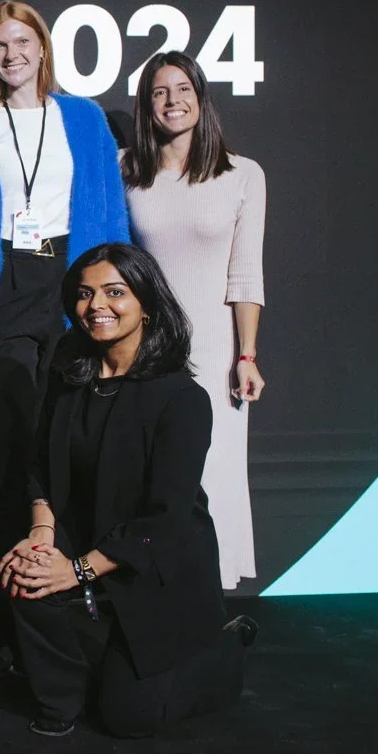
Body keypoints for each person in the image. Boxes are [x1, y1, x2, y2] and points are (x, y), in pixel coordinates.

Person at [0, 0, 130, 675]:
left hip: (73, 284)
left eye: (22, 42)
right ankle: (13, 622)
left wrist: (115, 304)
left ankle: (79, 605)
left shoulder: (85, 117)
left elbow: (112, 219)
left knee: (74, 447)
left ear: (43, 48)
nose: (11, 54)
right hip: (4, 292)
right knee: (14, 460)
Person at [1, 243, 255, 738]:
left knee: (129, 718)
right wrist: (41, 534)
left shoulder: (182, 399)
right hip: (84, 526)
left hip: (158, 556)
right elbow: (38, 466)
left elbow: (165, 520)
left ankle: (227, 646)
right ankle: (62, 700)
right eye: (83, 294)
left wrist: (74, 570)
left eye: (115, 292)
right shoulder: (68, 373)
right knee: (24, 570)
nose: (96, 305)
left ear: (147, 303)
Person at [124, 52, 266, 590]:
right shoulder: (124, 171)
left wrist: (246, 355)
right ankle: (155, 588)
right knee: (151, 472)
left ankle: (210, 593)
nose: (172, 101)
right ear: (147, 105)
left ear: (201, 98)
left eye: (183, 89)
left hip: (214, 349)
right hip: (144, 351)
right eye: (160, 92)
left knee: (214, 470)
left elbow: (246, 274)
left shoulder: (242, 174)